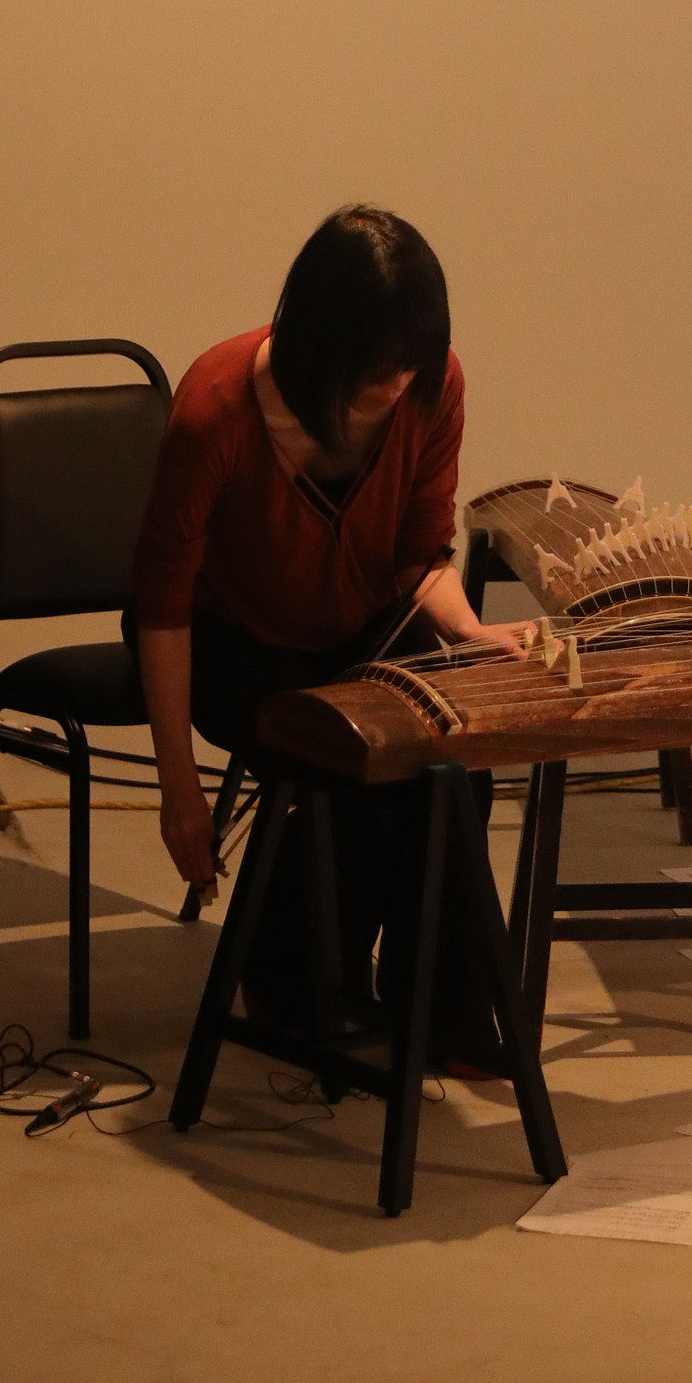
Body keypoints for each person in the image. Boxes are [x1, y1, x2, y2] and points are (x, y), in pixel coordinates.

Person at [128, 205, 533, 1067]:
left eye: (410, 362)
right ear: (320, 343)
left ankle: (441, 1016)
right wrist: (178, 789)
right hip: (231, 638)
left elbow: (417, 555)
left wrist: (470, 633)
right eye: (379, 368)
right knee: (351, 764)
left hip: (356, 627)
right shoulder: (216, 411)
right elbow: (162, 608)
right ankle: (290, 987)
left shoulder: (432, 385)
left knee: (454, 758)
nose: (399, 384)